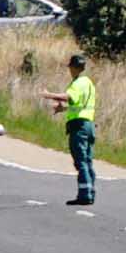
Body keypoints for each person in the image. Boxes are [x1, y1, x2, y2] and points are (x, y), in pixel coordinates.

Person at [43, 54, 98, 205]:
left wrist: (49, 95)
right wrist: (63, 109)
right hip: (89, 125)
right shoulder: (88, 83)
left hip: (79, 127)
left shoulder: (78, 83)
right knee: (87, 161)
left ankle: (84, 195)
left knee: (80, 162)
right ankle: (90, 191)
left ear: (73, 67)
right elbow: (79, 104)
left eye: (70, 67)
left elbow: (68, 96)